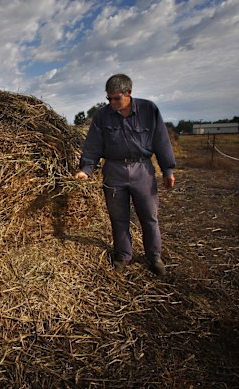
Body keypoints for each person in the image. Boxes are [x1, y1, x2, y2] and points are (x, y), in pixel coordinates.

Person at [75, 74, 176, 276]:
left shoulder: (149, 110)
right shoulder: (102, 117)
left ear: (129, 93)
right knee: (118, 218)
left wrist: (167, 170)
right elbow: (93, 146)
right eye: (108, 98)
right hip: (114, 170)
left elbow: (161, 141)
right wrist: (86, 170)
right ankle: (123, 256)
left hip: (142, 170)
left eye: (116, 98)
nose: (112, 102)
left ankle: (154, 257)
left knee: (149, 216)